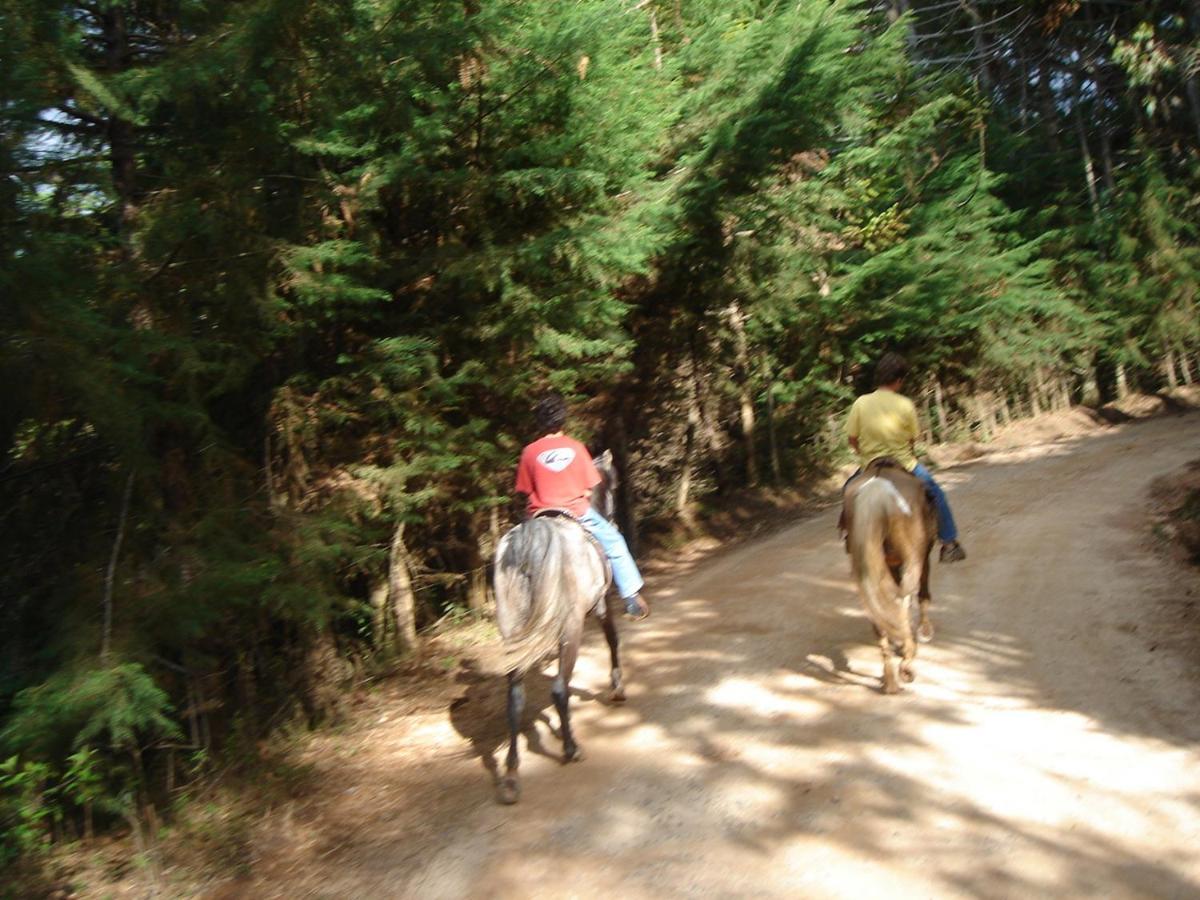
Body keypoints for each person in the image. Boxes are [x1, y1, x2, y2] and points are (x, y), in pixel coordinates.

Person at [514, 392, 650, 619]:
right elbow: (589, 488)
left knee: (519, 558)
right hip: (575, 514)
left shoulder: (529, 452)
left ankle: (523, 607)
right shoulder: (576, 447)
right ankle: (631, 599)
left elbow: (526, 491)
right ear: (563, 419)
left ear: (539, 422)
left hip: (542, 517)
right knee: (615, 542)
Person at [845, 353, 967, 562]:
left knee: (848, 490)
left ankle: (851, 536)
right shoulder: (905, 404)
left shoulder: (861, 403)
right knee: (937, 494)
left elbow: (852, 438)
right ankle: (948, 543)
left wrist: (863, 454)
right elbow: (912, 440)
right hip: (905, 464)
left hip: (869, 465)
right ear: (899, 380)